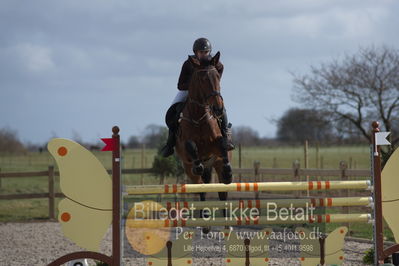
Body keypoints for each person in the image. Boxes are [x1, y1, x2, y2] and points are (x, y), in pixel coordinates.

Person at [160, 37, 234, 157]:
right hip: (189, 91)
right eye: (201, 52)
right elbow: (180, 85)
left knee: (221, 108)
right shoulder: (188, 64)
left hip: (208, 92)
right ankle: (170, 143)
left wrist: (211, 85)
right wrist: (195, 86)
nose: (204, 55)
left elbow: (219, 73)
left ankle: (226, 138)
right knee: (174, 110)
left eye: (206, 52)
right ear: (196, 52)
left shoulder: (215, 63)